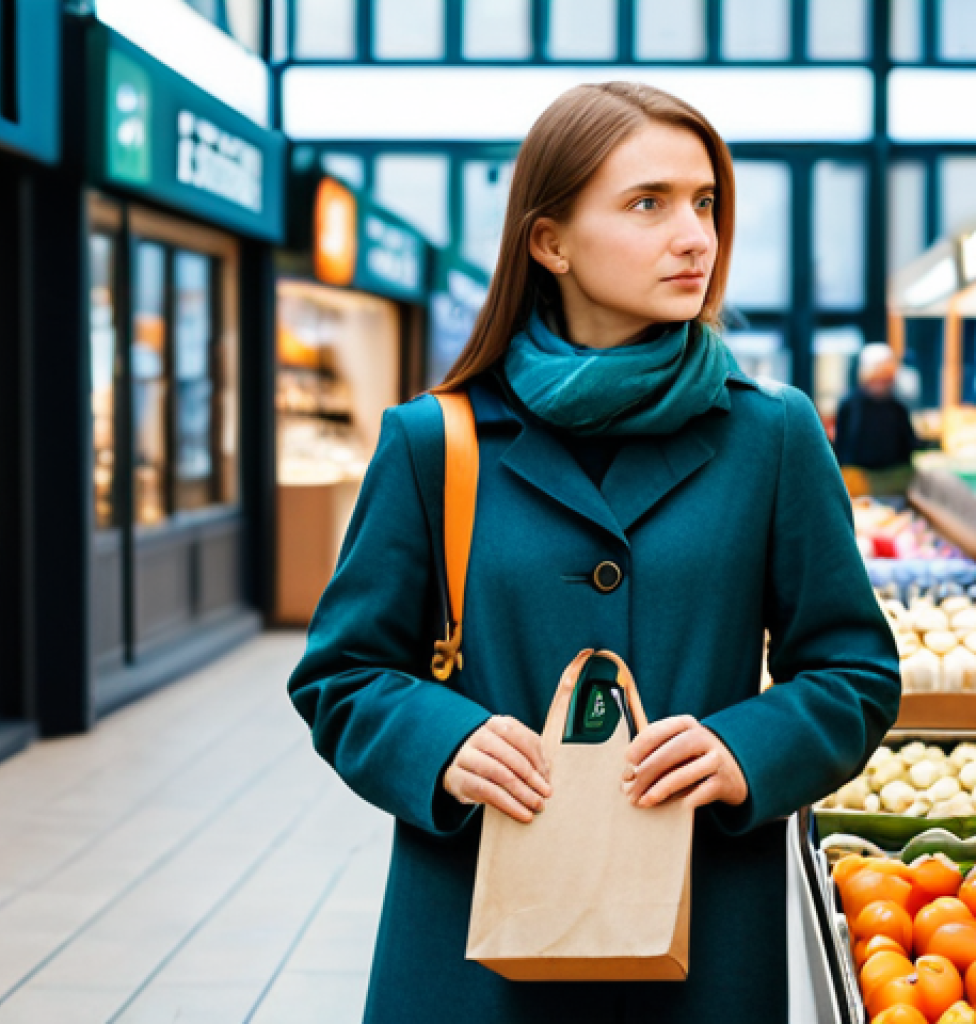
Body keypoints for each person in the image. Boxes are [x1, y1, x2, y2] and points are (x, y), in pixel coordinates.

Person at [286, 82, 900, 1022]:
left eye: (705, 203)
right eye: (649, 204)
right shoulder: (434, 442)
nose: (696, 235)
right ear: (551, 242)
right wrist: (443, 741)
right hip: (474, 942)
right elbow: (342, 675)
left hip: (698, 936)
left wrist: (744, 749)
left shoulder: (773, 435)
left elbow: (853, 671)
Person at [834, 343, 920, 496]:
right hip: (856, 483)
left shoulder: (897, 409)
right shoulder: (850, 406)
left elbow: (908, 446)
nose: (880, 384)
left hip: (895, 483)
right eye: (876, 378)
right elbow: (841, 447)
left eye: (885, 379)